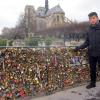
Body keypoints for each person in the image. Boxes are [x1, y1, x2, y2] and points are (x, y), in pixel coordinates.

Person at [74, 12, 100, 89]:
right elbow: (87, 42)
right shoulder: (88, 29)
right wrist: (78, 47)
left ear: (97, 18)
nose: (92, 20)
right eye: (90, 19)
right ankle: (93, 83)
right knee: (92, 69)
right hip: (91, 53)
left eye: (93, 18)